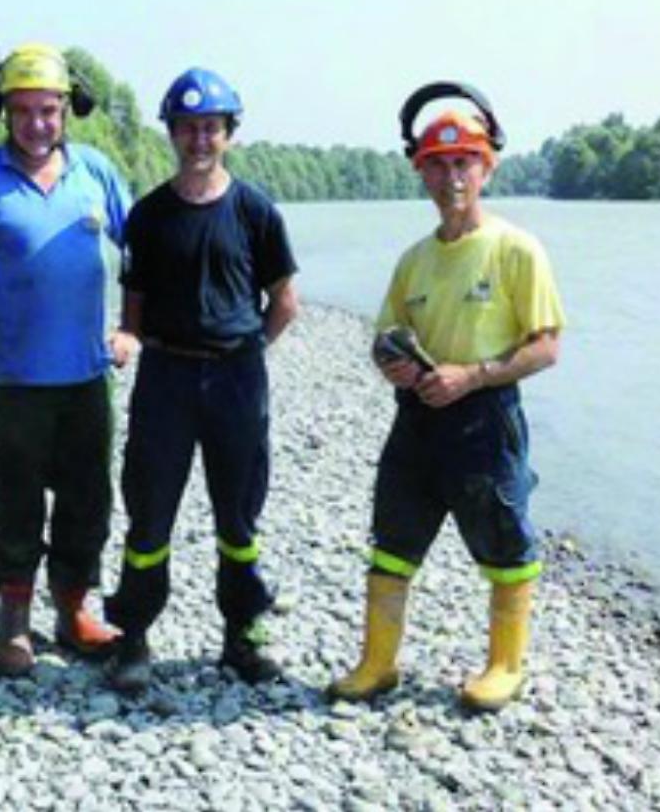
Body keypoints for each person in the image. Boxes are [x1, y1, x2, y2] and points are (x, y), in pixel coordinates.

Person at [327, 85, 566, 711]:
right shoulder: (414, 260)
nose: (452, 176)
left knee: (505, 543)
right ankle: (377, 664)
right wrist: (395, 366)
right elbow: (383, 338)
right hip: (417, 422)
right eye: (438, 163)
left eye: (465, 163)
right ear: (421, 172)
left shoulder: (517, 249)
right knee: (391, 541)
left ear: (487, 167)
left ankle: (505, 666)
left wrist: (475, 374)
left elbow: (546, 346)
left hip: (485, 420)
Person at [0, 43, 133, 677]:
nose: (37, 124)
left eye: (48, 110)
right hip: (13, 380)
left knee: (87, 500)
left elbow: (144, 254)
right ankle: (12, 625)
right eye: (23, 112)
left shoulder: (97, 172)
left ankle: (73, 614)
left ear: (69, 109)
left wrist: (131, 328)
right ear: (3, 111)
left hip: (87, 379)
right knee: (13, 501)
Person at [103, 67, 299, 692]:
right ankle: (133, 637)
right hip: (164, 379)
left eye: (210, 128)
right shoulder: (149, 216)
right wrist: (130, 341)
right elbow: (131, 310)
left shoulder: (256, 212)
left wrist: (243, 353)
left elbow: (284, 303)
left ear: (229, 135)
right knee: (149, 515)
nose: (199, 140)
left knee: (238, 519)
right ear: (172, 134)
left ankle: (243, 636)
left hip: (237, 380)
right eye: (187, 129)